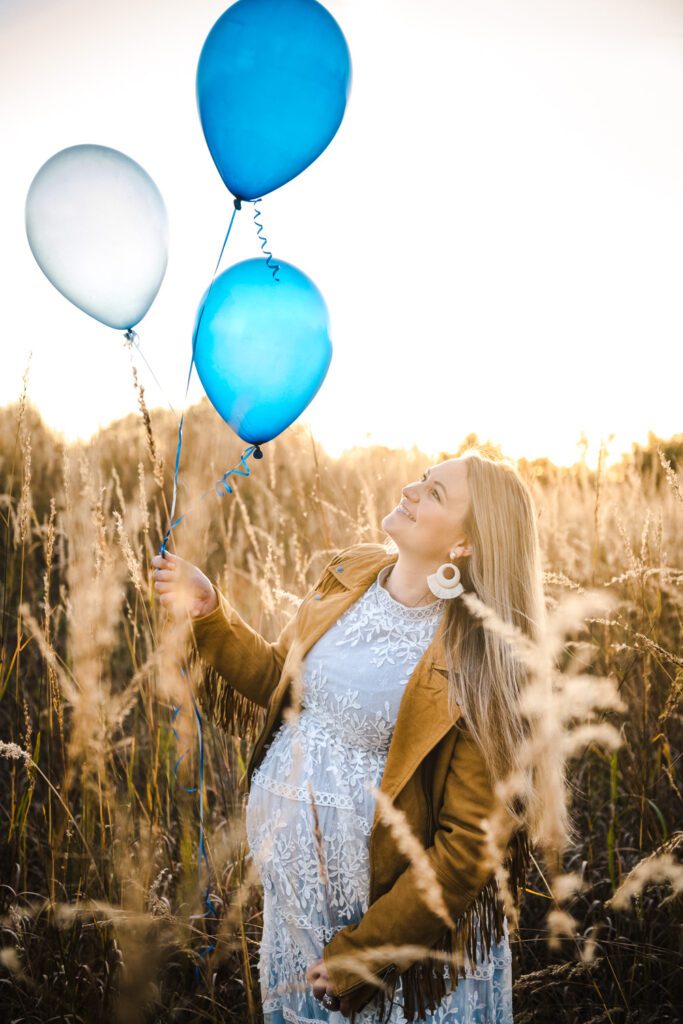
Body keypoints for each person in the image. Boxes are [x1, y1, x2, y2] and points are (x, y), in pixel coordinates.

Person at [151, 450, 545, 1023]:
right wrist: (212, 610)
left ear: (466, 544)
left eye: (435, 494)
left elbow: (466, 849)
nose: (411, 489)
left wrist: (365, 956)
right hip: (299, 913)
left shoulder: (481, 656)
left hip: (386, 939)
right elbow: (283, 685)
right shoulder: (353, 572)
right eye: (423, 479)